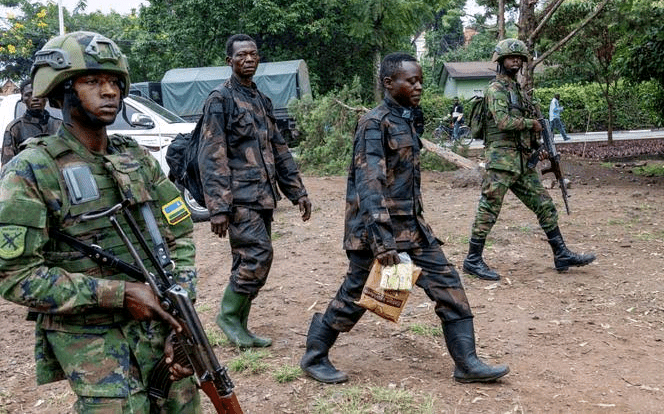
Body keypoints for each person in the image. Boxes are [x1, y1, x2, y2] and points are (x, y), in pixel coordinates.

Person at [0, 31, 199, 413]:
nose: (109, 92)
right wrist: (117, 293)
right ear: (61, 91)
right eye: (92, 82)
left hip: (160, 327)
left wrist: (181, 310)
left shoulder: (137, 158)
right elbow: (15, 276)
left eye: (114, 82)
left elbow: (180, 237)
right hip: (91, 338)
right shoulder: (33, 170)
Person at [300, 52, 509, 385]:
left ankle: (467, 363)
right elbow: (369, 186)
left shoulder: (407, 118)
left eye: (420, 80)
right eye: (411, 80)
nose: (419, 86)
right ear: (388, 83)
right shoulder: (373, 123)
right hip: (375, 233)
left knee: (447, 284)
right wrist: (382, 243)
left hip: (412, 229)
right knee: (356, 295)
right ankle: (314, 356)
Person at [198, 33, 312, 348]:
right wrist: (218, 207)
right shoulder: (219, 100)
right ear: (229, 61)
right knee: (258, 255)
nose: (249, 59)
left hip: (262, 196)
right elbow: (212, 155)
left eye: (253, 54)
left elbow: (279, 149)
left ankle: (241, 326)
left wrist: (297, 191)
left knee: (249, 258)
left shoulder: (261, 100)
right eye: (241, 55)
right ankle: (228, 317)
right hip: (238, 199)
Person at [462, 39, 595, 281]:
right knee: (489, 208)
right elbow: (503, 122)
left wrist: (538, 147)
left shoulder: (519, 92)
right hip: (501, 161)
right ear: (500, 60)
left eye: (519, 58)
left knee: (544, 204)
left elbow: (529, 128)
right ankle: (472, 260)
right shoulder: (496, 90)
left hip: (523, 162)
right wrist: (530, 123)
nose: (516, 60)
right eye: (511, 57)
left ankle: (561, 253)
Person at [2, 79, 62, 165]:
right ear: (23, 99)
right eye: (28, 95)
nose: (34, 98)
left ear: (46, 97)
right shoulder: (14, 129)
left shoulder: (60, 126)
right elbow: (7, 167)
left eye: (39, 94)